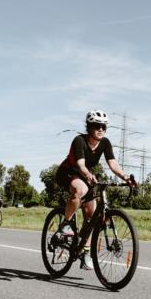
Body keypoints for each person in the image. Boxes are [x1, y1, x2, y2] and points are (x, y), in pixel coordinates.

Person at [55, 110, 136, 269]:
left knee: (91, 216)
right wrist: (88, 174)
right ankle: (65, 224)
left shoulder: (105, 143)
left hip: (86, 176)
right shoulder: (79, 140)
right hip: (69, 172)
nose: (100, 129)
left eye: (104, 127)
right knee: (80, 189)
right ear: (89, 127)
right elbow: (80, 164)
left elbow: (113, 164)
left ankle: (84, 251)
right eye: (96, 126)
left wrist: (125, 177)